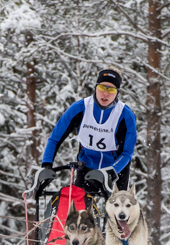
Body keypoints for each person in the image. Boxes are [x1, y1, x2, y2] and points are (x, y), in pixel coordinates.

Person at [32, 68, 138, 198]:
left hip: (115, 170)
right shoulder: (80, 108)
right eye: (102, 87)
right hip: (86, 168)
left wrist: (111, 171)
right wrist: (46, 165)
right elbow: (55, 138)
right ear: (95, 87)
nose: (105, 93)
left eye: (111, 90)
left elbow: (127, 153)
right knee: (79, 212)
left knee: (117, 213)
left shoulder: (125, 115)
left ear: (117, 93)